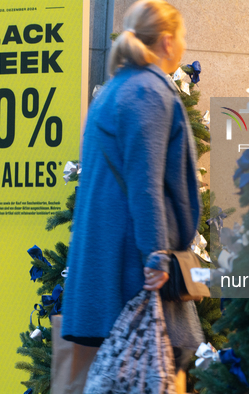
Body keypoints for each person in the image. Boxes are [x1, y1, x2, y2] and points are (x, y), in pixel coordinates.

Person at [60, 1, 204, 392]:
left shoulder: (116, 90)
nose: (184, 48)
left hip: (109, 270)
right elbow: (146, 185)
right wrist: (156, 255)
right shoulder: (149, 92)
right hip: (134, 273)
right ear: (168, 41)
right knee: (161, 371)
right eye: (184, 39)